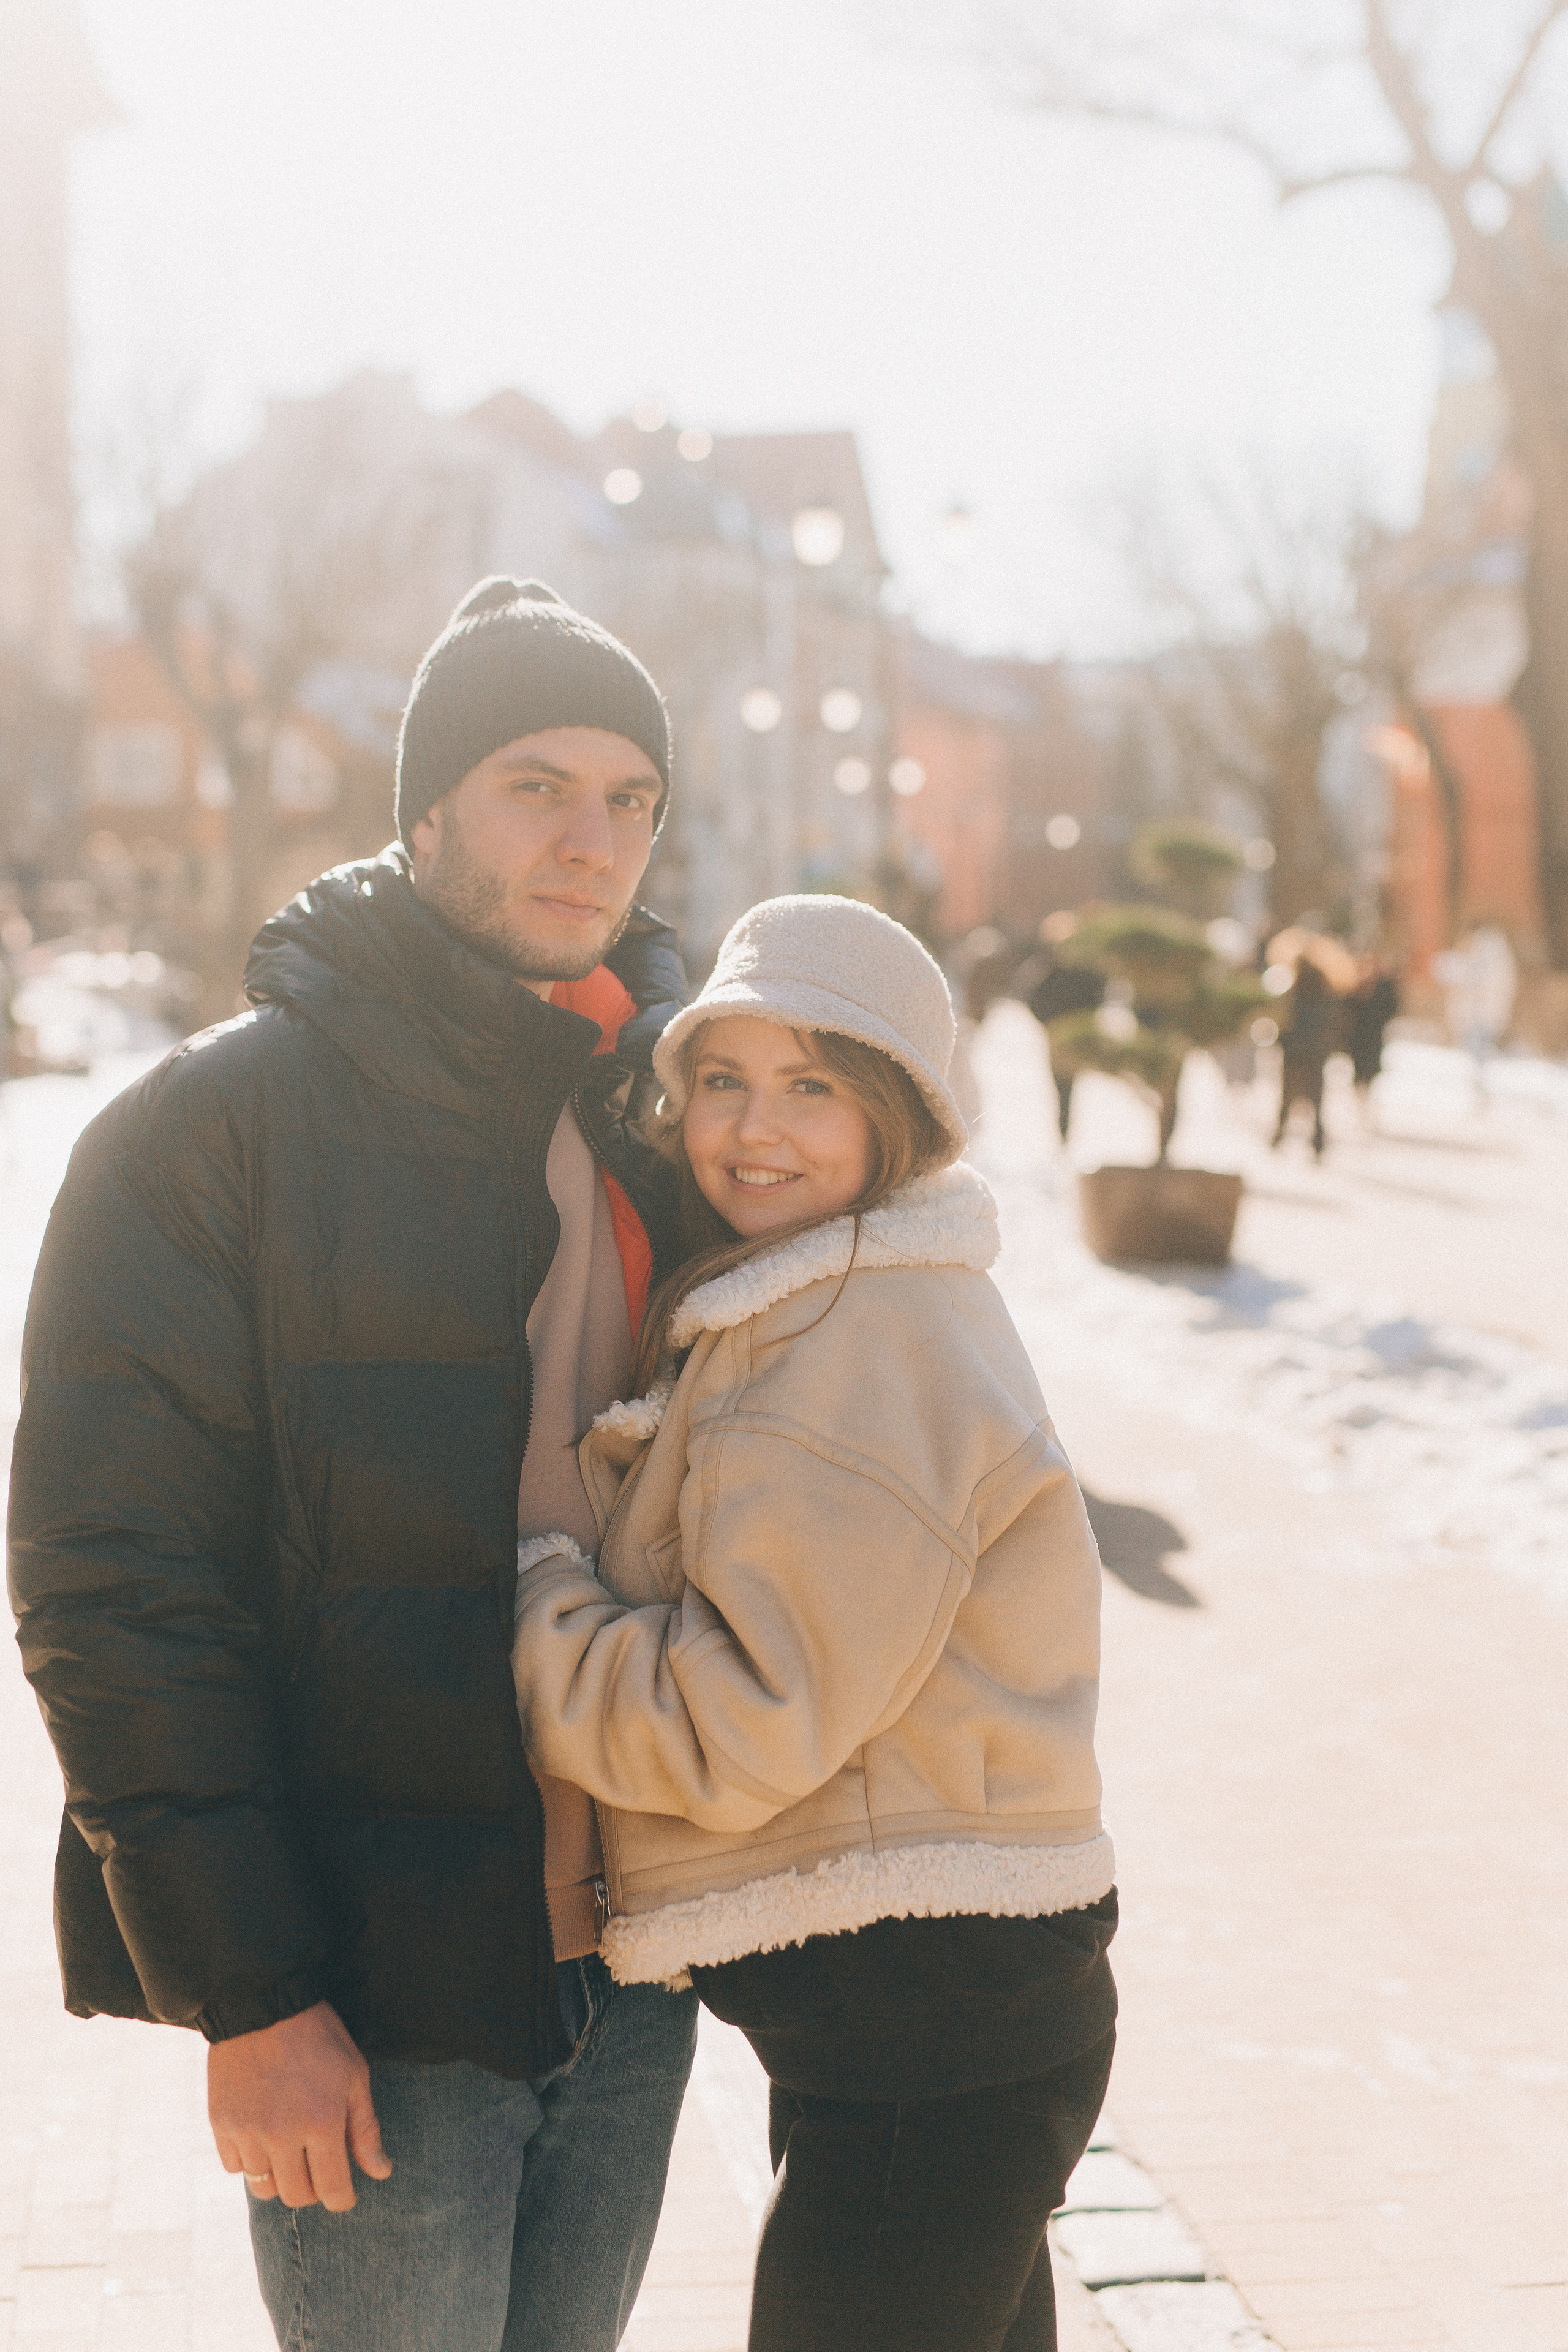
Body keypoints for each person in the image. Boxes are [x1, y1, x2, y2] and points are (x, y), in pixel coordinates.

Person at [9, 577, 701, 2350]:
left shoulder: (664, 1117)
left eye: (631, 799)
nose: (591, 839)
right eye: (535, 784)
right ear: (421, 816)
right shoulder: (209, 1133)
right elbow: (110, 1586)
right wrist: (249, 1995)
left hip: (636, 1961)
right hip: (378, 1996)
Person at [512, 894, 1118, 2352]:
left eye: (812, 1085)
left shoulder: (861, 1340)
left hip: (931, 2026)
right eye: (720, 1078)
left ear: (895, 1113)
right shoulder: (814, 1301)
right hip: (928, 2010)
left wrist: (540, 1591)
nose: (751, 1127)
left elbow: (743, 1720)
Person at [1271, 952, 1340, 1158]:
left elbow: (1283, 1023)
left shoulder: (1293, 994)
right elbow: (1333, 1025)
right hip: (1315, 1054)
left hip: (1294, 1053)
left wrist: (1283, 1044)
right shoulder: (1326, 995)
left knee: (1287, 1098)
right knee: (1316, 1100)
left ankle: (1279, 1136)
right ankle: (1317, 1142)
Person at [1348, 954, 1400, 1125]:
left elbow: (1392, 1007)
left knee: (1370, 1069)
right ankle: (1360, 1104)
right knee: (1358, 1069)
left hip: (1374, 1034)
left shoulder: (1384, 985)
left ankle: (1366, 1102)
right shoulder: (1355, 983)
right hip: (1358, 1035)